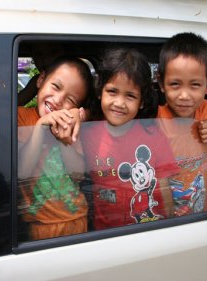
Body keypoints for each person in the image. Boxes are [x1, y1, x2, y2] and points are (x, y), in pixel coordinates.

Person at [81, 48, 179, 230]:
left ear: (141, 101)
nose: (119, 103)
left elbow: (165, 187)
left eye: (130, 96)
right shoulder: (87, 133)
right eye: (112, 91)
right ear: (100, 91)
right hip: (105, 233)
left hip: (151, 229)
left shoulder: (153, 134)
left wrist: (170, 224)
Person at [17, 56, 94, 240]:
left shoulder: (71, 125)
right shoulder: (22, 117)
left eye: (70, 99)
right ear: (41, 80)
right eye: (56, 87)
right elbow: (22, 172)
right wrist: (39, 128)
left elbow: (77, 174)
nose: (58, 100)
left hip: (77, 217)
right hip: (40, 224)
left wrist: (63, 138)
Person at [156, 32, 207, 216]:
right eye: (175, 84)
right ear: (161, 82)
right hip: (169, 217)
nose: (184, 96)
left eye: (195, 85)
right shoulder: (156, 119)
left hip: (204, 212)